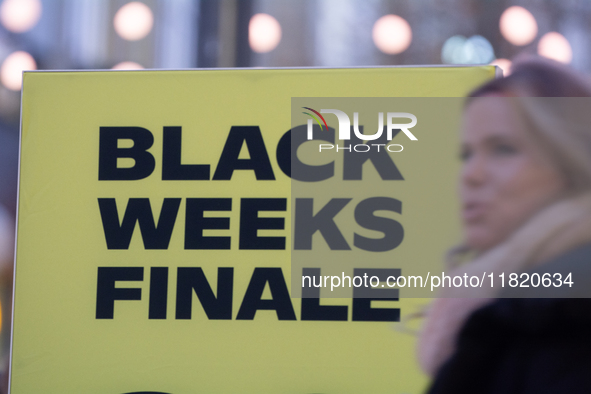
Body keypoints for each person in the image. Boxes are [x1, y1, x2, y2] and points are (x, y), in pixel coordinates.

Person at [418, 56, 591, 393]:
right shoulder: (512, 305)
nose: (471, 174)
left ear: (571, 163)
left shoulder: (567, 320)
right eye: (466, 154)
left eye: (503, 149)